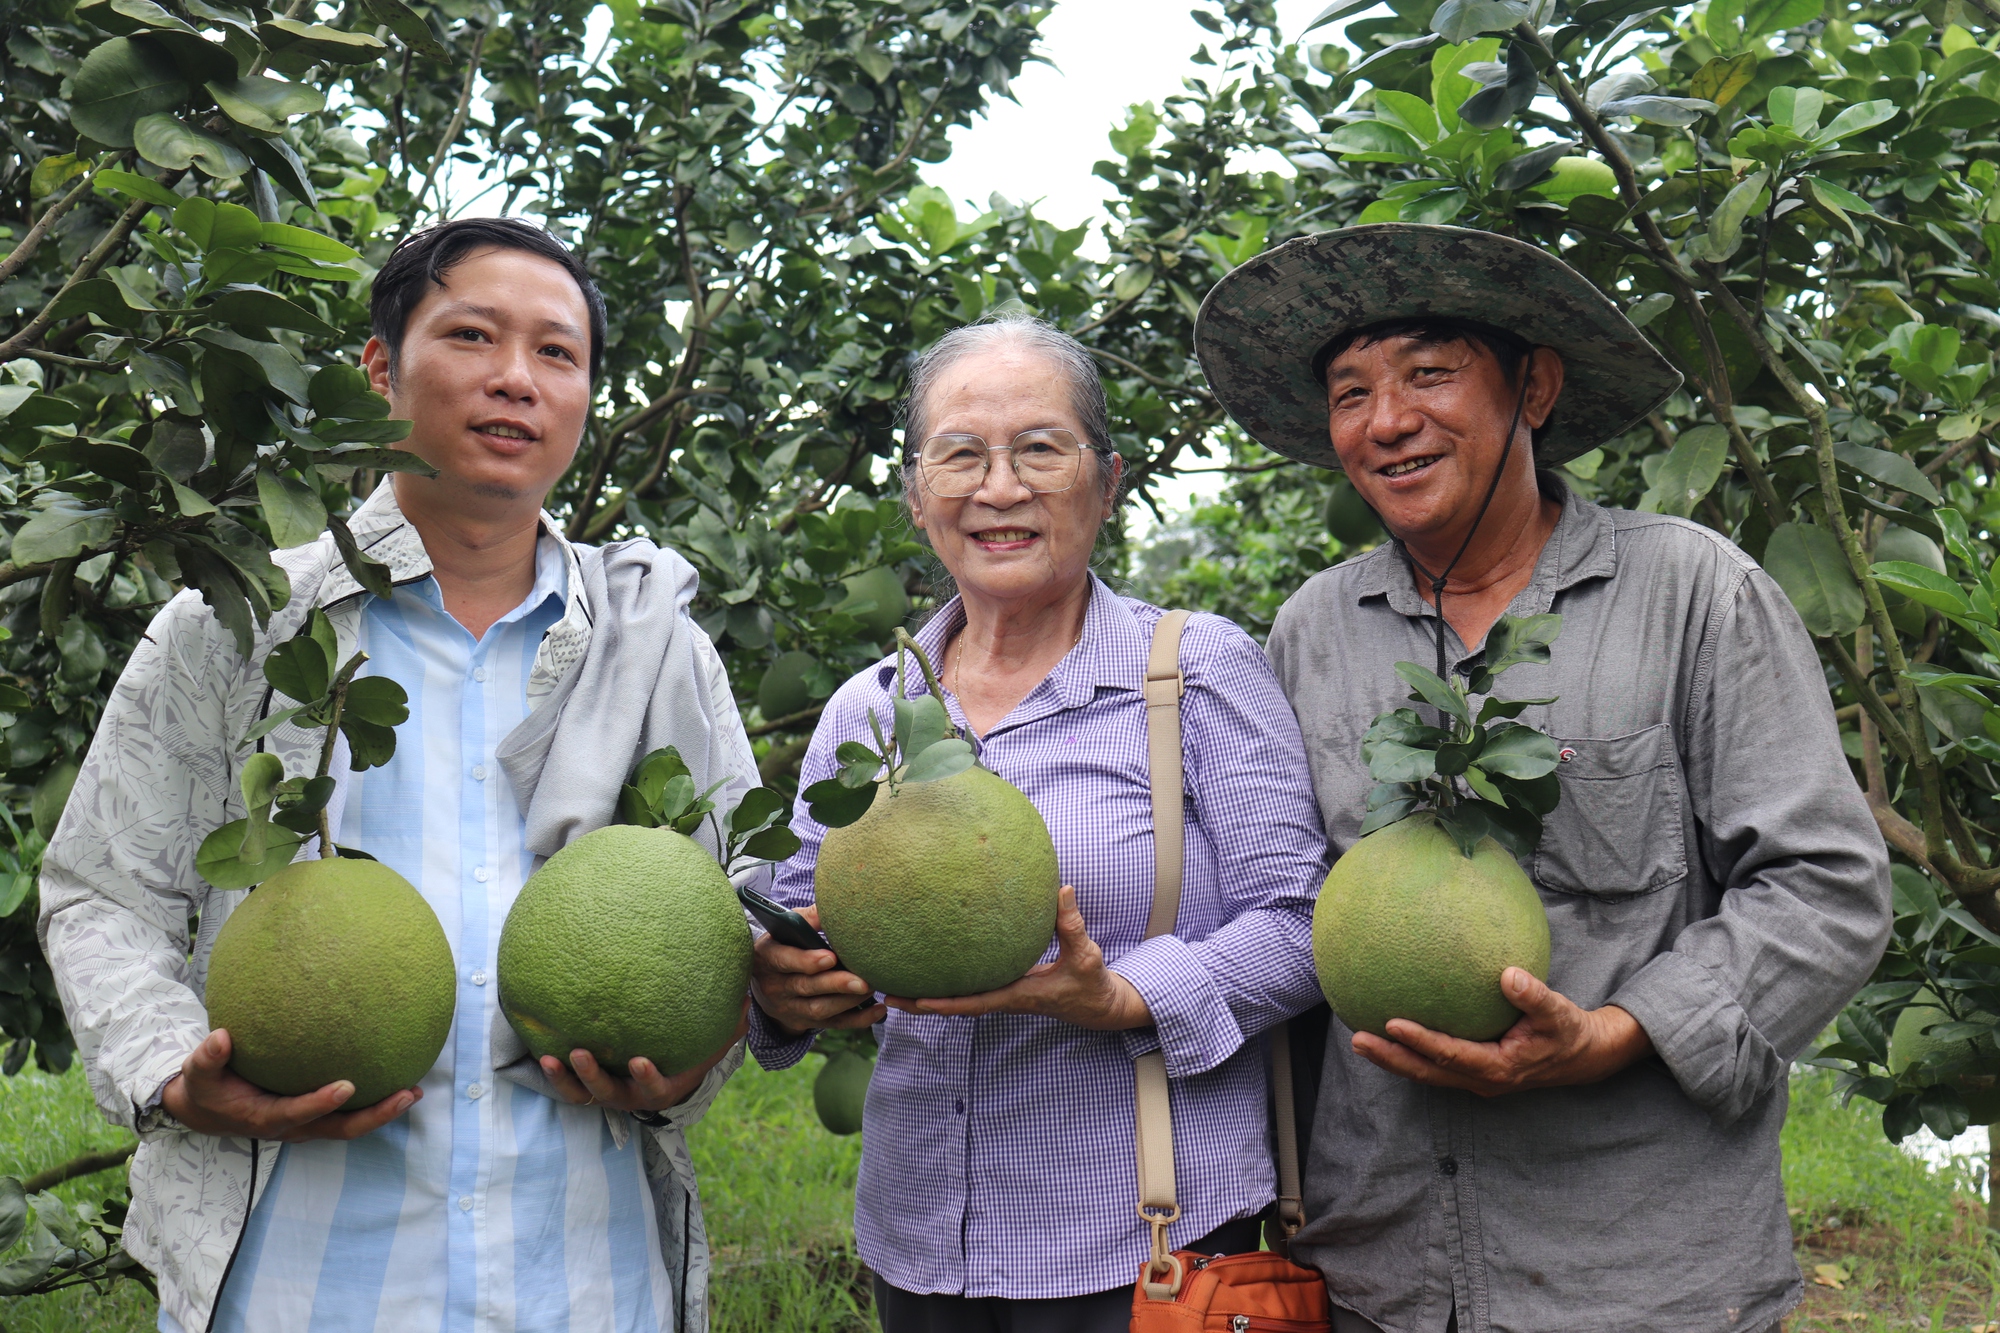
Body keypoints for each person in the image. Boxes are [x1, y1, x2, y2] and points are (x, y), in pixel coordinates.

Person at [40, 218, 756, 1333]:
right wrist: (173, 1069)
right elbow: (101, 889)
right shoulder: (236, 623)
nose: (515, 379)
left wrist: (695, 1054)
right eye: (473, 335)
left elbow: (730, 906)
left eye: (556, 354)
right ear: (381, 369)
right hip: (300, 1280)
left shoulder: (651, 644)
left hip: (580, 1271)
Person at [1192, 223, 1893, 1333]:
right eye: (1351, 391)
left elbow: (1827, 887)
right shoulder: (1311, 631)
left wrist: (1615, 1032)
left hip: (1638, 1278)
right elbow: (1283, 913)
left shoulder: (1690, 592)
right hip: (1384, 1278)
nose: (1386, 419)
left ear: (1533, 387)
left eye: (1428, 372)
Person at [748, 313, 1329, 1332]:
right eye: (961, 454)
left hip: (1145, 1246)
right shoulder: (866, 710)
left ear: (1104, 483)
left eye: (1038, 450)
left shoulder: (1194, 672)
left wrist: (1120, 994)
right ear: (917, 494)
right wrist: (790, 987)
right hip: (921, 1245)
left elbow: (1303, 924)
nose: (999, 487)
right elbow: (799, 924)